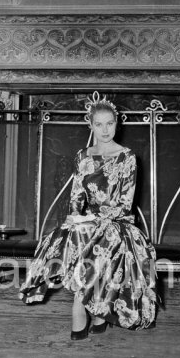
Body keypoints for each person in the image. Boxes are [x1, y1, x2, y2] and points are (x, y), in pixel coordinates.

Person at [19, 93, 157, 340]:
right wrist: (75, 217)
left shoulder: (128, 158)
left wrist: (90, 221)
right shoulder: (83, 156)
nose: (105, 130)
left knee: (99, 237)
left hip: (118, 224)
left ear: (117, 123)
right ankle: (94, 309)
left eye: (110, 123)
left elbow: (125, 206)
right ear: (90, 125)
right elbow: (76, 198)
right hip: (87, 222)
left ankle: (81, 306)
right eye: (99, 124)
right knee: (67, 236)